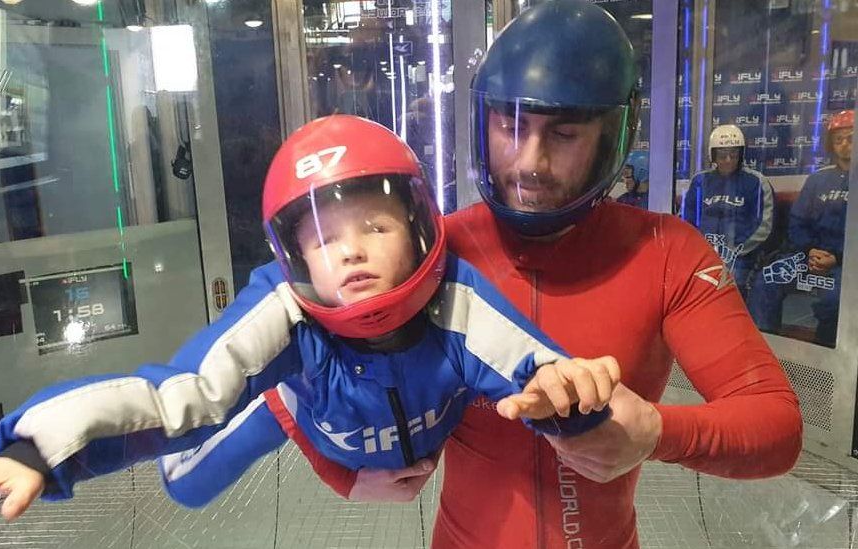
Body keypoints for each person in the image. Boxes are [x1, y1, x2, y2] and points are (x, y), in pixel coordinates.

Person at [0, 115, 621, 537]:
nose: (352, 250)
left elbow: (543, 371)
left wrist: (575, 390)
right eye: (325, 239)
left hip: (413, 415)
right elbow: (171, 395)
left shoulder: (456, 299)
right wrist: (32, 451)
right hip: (307, 400)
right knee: (185, 483)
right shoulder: (284, 309)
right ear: (294, 253)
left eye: (374, 224)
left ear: (420, 224)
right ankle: (275, 397)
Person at [304, 3, 803, 548]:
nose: (530, 162)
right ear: (483, 121)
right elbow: (288, 347)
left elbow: (777, 427)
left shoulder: (667, 253)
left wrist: (657, 433)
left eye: (563, 134)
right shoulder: (437, 251)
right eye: (509, 126)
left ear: (613, 134)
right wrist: (347, 475)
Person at [748, 109, 852, 346]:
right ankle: (766, 350)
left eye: (851, 138)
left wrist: (836, 258)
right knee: (767, 281)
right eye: (838, 140)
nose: (845, 145)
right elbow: (798, 222)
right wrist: (809, 251)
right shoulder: (818, 180)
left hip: (847, 266)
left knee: (836, 300)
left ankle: (826, 361)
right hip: (808, 256)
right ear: (831, 144)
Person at [681, 124, 776, 295]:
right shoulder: (700, 181)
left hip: (741, 256)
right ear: (713, 155)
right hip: (702, 253)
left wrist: (733, 251)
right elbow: (687, 220)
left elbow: (763, 225)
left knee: (731, 282)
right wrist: (702, 250)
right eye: (723, 155)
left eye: (734, 155)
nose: (728, 160)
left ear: (741, 155)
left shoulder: (756, 181)